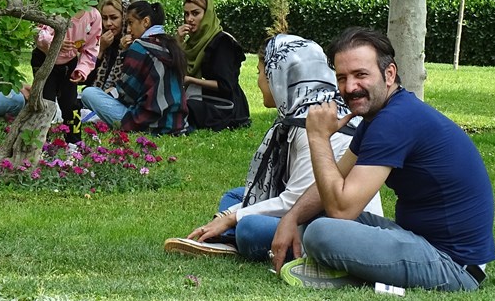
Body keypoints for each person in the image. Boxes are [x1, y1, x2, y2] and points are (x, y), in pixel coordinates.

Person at [271, 27, 495, 291]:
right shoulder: (380, 116)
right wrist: (291, 217)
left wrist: (319, 139)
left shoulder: (394, 120)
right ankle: (350, 269)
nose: (350, 87)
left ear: (389, 74)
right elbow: (338, 179)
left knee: (322, 232)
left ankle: (352, 274)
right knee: (310, 219)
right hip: (415, 241)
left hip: (454, 265)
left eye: (361, 75)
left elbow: (341, 210)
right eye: (341, 78)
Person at [163, 34, 383, 260]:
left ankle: (230, 237)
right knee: (237, 195)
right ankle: (227, 237)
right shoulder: (301, 115)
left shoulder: (314, 123)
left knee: (251, 228)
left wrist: (232, 217)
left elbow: (297, 201)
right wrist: (233, 213)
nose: (259, 81)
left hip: (332, 225)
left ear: (279, 77)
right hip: (309, 209)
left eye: (261, 73)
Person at [80, 0, 188, 134]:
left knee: (88, 93)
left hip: (145, 123)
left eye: (131, 23)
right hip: (175, 123)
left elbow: (127, 95)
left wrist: (113, 91)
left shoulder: (140, 46)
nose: (129, 29)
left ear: (146, 22)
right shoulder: (170, 44)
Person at [32, 0, 102, 143]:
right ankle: (39, 141)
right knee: (45, 104)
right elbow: (39, 32)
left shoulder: (94, 16)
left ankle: (74, 141)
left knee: (71, 104)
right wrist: (54, 43)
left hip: (69, 65)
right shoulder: (55, 9)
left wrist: (83, 69)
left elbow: (91, 47)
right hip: (45, 61)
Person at [177, 0, 250, 130]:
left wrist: (191, 80)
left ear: (207, 14)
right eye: (186, 14)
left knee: (179, 109)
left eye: (195, 13)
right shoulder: (191, 42)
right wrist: (178, 42)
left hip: (225, 107)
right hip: (202, 99)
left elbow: (226, 86)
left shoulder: (222, 43)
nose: (189, 19)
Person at [85, 0, 128, 92]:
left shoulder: (131, 42)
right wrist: (100, 49)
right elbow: (86, 78)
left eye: (114, 18)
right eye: (104, 18)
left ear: (124, 18)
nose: (108, 23)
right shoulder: (100, 39)